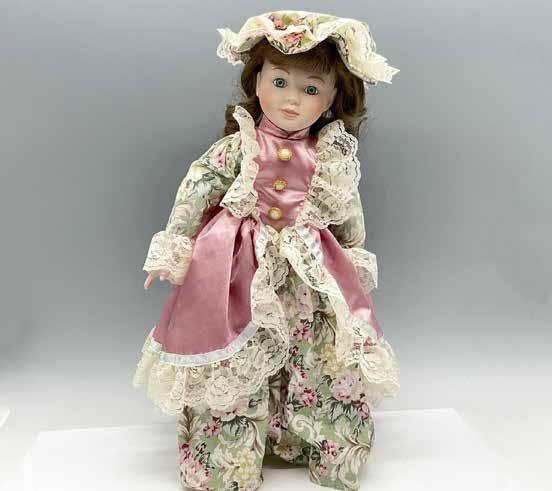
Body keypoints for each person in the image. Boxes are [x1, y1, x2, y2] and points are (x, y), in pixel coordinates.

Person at [133, 10, 400, 491]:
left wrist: (353, 261)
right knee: (237, 356)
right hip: (236, 269)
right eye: (279, 82)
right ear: (256, 82)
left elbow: (347, 214)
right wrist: (175, 245)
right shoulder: (239, 147)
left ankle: (315, 444)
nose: (292, 99)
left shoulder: (329, 156)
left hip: (307, 271)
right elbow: (198, 188)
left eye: (311, 89)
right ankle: (226, 463)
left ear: (332, 98)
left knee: (317, 353)